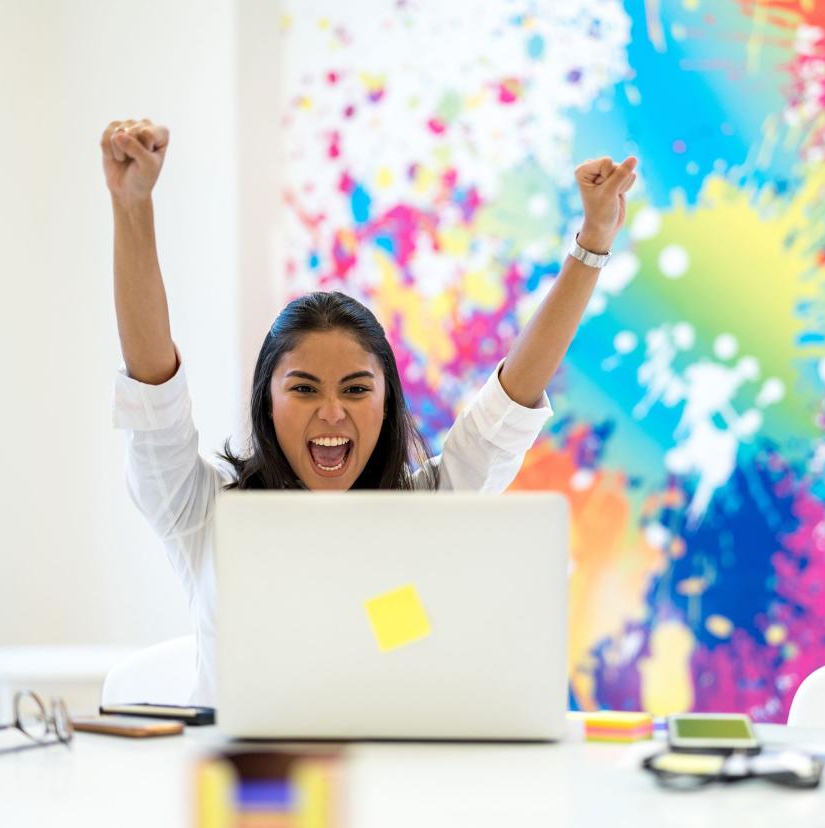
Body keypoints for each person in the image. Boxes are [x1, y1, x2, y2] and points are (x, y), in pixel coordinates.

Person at [102, 117, 638, 704]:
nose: (332, 412)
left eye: (356, 390)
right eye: (304, 389)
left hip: (396, 783)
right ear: (266, 402)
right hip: (247, 789)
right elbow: (154, 397)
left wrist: (593, 241)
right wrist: (133, 206)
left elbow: (511, 398)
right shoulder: (205, 512)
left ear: (386, 405)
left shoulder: (430, 506)